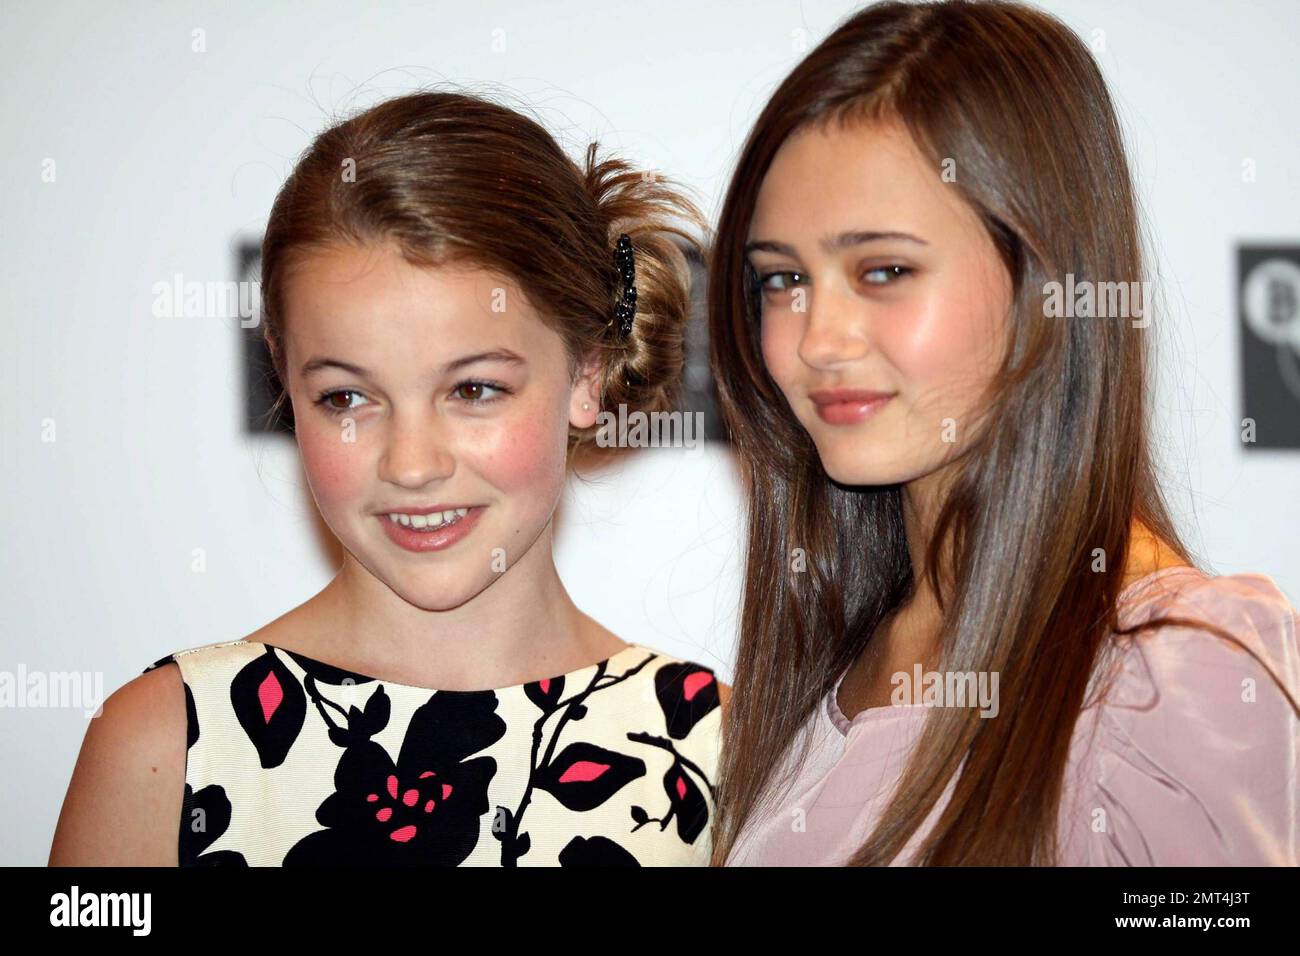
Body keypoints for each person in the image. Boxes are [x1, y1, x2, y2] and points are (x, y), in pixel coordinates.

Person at [49, 90, 728, 866]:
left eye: (474, 389)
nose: (412, 463)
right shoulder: (162, 746)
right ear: (285, 380)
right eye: (348, 397)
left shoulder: (713, 753)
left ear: (587, 373)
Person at [706, 0, 1299, 866]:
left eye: (884, 270)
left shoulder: (1175, 675)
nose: (817, 338)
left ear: (1045, 282)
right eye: (783, 278)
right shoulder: (822, 666)